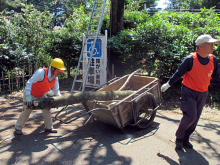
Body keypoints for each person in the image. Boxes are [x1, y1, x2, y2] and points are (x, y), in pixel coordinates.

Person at [161, 34, 220, 149]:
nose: (213, 46)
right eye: (210, 43)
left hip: (203, 92)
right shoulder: (190, 60)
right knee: (190, 116)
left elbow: (216, 77)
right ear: (201, 46)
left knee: (196, 118)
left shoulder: (214, 60)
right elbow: (179, 73)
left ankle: (185, 138)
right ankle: (179, 137)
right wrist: (168, 84)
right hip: (189, 91)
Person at [14, 58, 65, 135]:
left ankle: (49, 127)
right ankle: (18, 127)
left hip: (41, 94)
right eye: (58, 71)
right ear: (53, 68)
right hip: (30, 93)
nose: (59, 73)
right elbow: (29, 83)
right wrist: (28, 97)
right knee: (27, 110)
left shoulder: (55, 77)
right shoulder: (41, 72)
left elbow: (56, 90)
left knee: (47, 108)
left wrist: (61, 99)